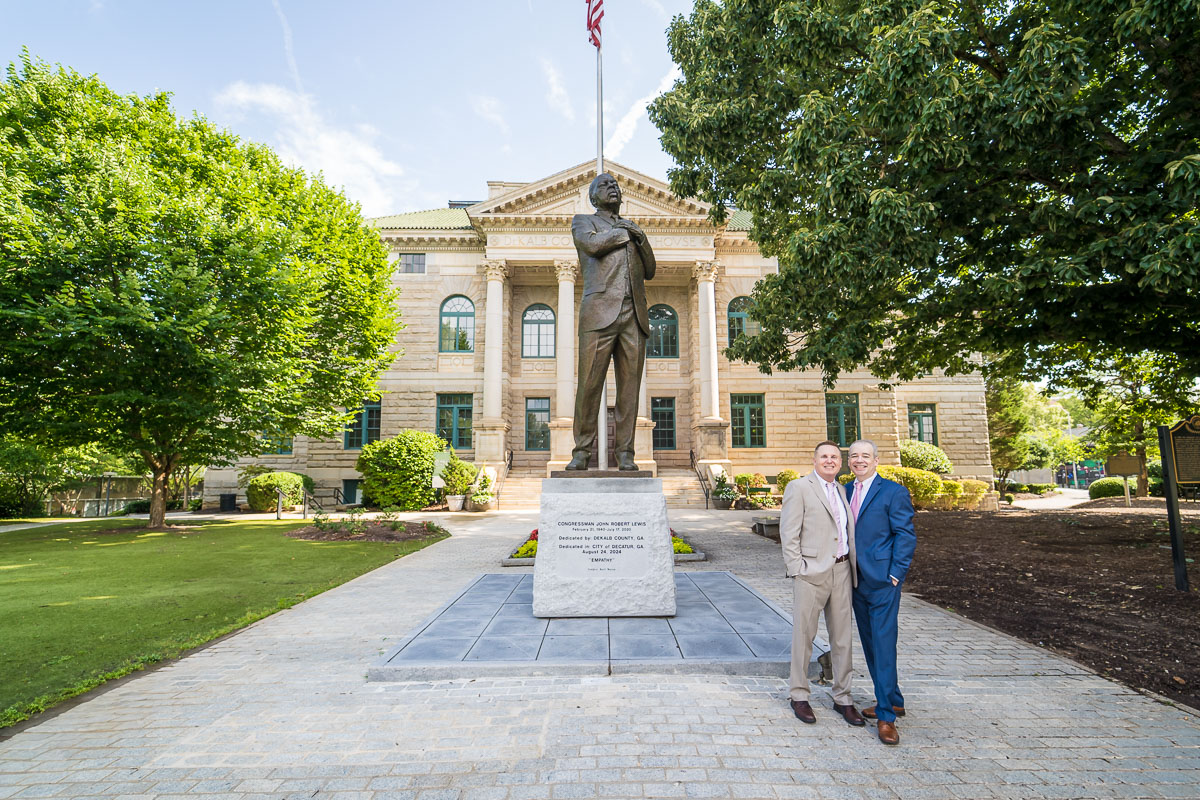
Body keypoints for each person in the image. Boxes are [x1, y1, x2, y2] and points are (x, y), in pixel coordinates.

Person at [565, 173, 656, 471]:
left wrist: (640, 236)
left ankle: (626, 453)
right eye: (605, 185)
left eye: (615, 185)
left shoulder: (632, 228)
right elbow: (591, 246)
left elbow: (650, 270)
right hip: (599, 314)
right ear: (593, 196)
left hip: (634, 316)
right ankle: (581, 451)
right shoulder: (583, 221)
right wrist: (625, 233)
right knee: (589, 386)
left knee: (629, 391)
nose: (613, 188)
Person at [779, 441, 863, 727]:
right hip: (810, 573)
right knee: (804, 635)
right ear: (814, 461)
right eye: (824, 456)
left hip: (842, 570)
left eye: (834, 457)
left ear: (840, 462)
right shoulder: (799, 487)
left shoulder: (842, 490)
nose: (829, 461)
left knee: (842, 638)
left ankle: (843, 697)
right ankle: (799, 695)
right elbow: (789, 532)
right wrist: (797, 570)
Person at [844, 439, 917, 745]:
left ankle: (886, 717)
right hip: (854, 580)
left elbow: (905, 534)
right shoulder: (845, 490)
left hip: (884, 582)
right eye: (854, 456)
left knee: (884, 645)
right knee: (871, 644)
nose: (859, 460)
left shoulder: (893, 492)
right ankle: (894, 699)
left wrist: (896, 574)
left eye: (865, 456)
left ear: (876, 460)